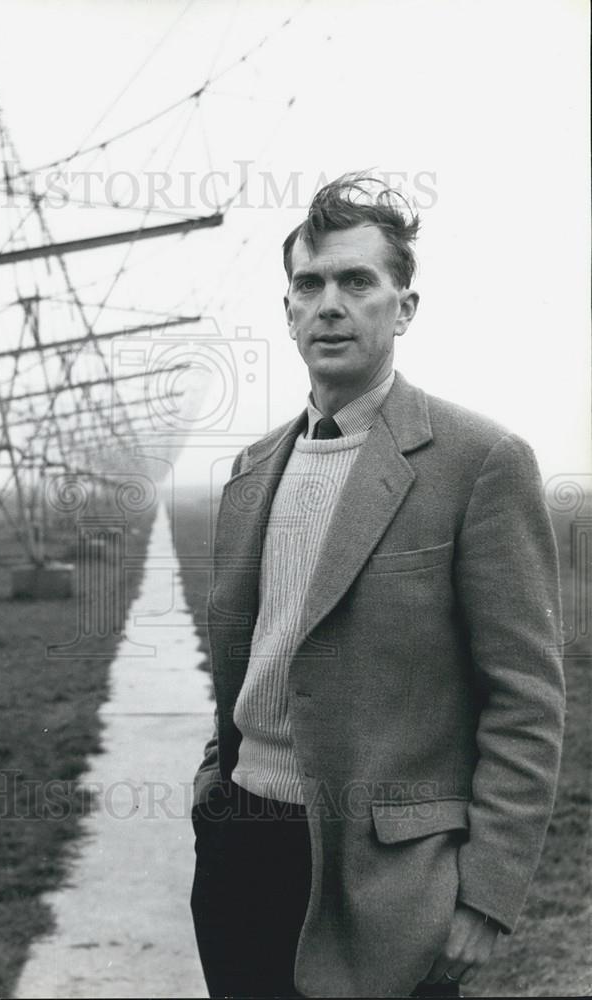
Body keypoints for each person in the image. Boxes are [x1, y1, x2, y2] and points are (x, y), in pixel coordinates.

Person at [190, 172, 565, 998]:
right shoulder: (251, 472)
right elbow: (247, 655)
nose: (330, 304)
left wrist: (485, 899)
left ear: (403, 308)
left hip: (389, 883)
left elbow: (525, 702)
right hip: (242, 848)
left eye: (357, 281)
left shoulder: (478, 462)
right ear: (287, 311)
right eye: (309, 284)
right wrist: (214, 792)